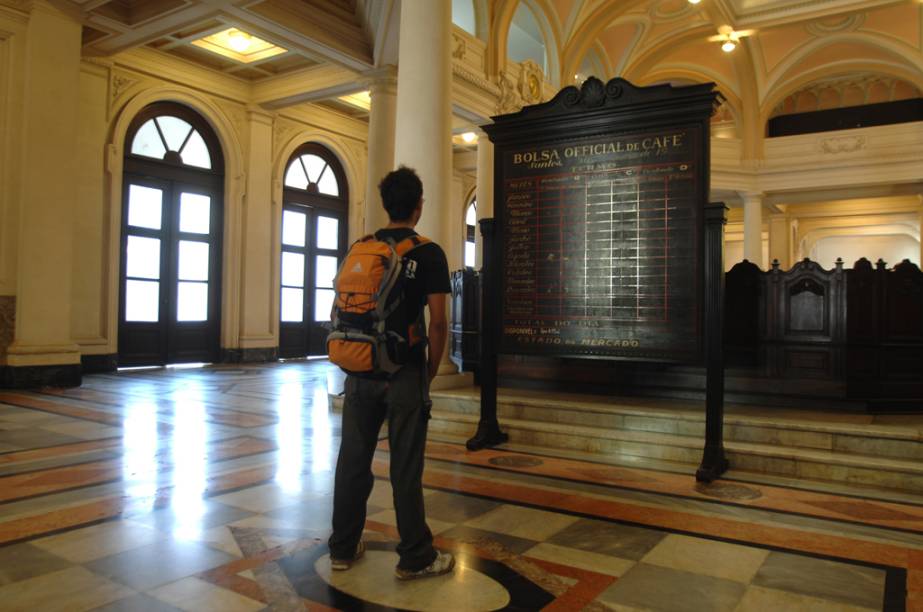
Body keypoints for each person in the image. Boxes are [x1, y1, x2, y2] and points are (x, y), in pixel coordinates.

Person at [328, 166, 455, 580]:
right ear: (419, 206)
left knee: (352, 461)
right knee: (405, 466)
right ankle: (415, 556)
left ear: (386, 205)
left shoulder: (362, 247)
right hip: (404, 371)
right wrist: (430, 371)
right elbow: (438, 322)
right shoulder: (429, 252)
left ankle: (343, 549)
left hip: (360, 369)